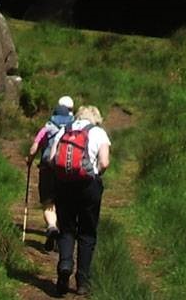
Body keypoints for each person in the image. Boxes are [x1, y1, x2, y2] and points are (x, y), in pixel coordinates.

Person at [53, 104, 111, 297]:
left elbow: (53, 158)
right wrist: (95, 175)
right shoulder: (98, 133)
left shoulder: (64, 130)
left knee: (67, 229)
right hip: (88, 187)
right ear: (96, 118)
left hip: (64, 185)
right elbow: (104, 162)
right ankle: (82, 282)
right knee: (87, 233)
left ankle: (65, 267)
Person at [26, 95, 75, 244]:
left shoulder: (47, 127)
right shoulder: (73, 128)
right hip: (66, 170)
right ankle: (61, 233)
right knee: (64, 202)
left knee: (48, 201)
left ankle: (52, 226)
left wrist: (29, 160)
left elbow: (34, 148)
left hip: (47, 168)